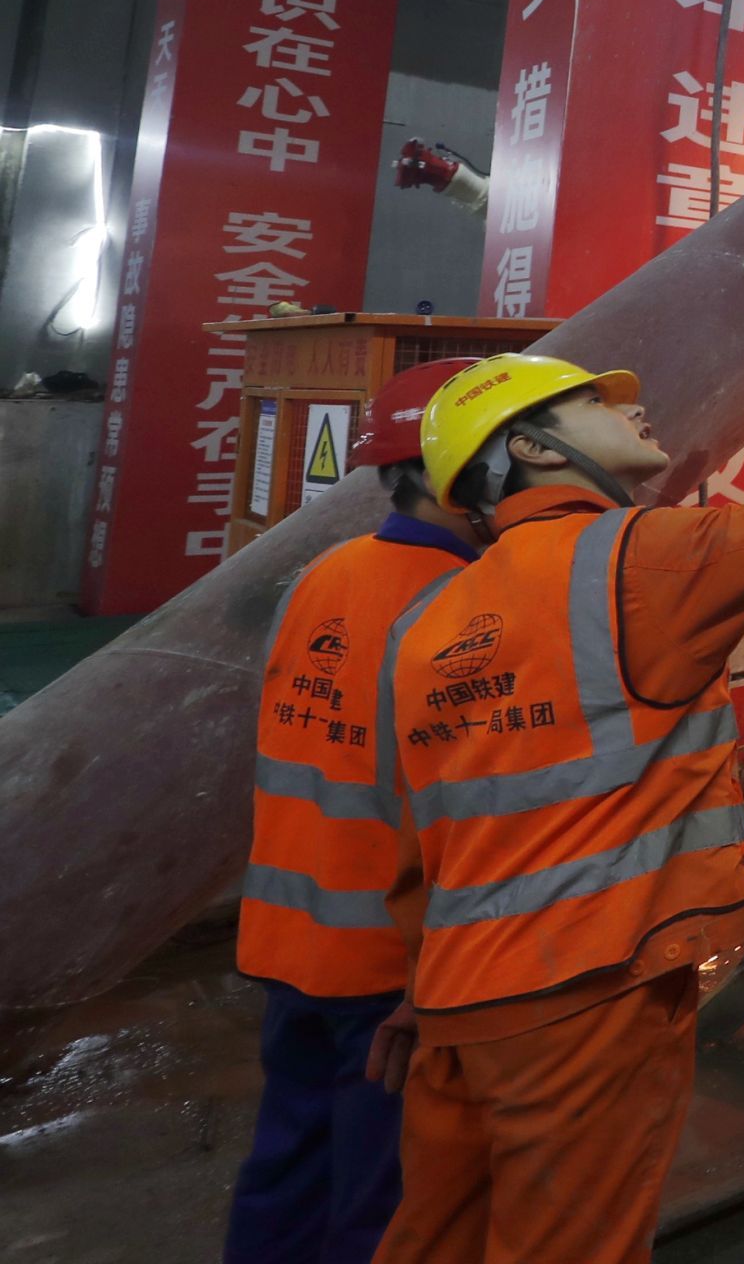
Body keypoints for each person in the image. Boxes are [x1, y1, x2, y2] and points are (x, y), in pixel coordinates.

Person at [369, 254, 744, 1264]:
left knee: (434, 1240)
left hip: (455, 1005)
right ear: (528, 446)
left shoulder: (427, 621)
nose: (635, 411)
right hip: (590, 995)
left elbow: (421, 843)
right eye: (592, 403)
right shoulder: (637, 558)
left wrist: (419, 987)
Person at [228, 359, 481, 1264]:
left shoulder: (322, 576)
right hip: (389, 967)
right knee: (384, 1204)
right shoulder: (465, 607)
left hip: (289, 942)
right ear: (467, 475)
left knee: (287, 1170)